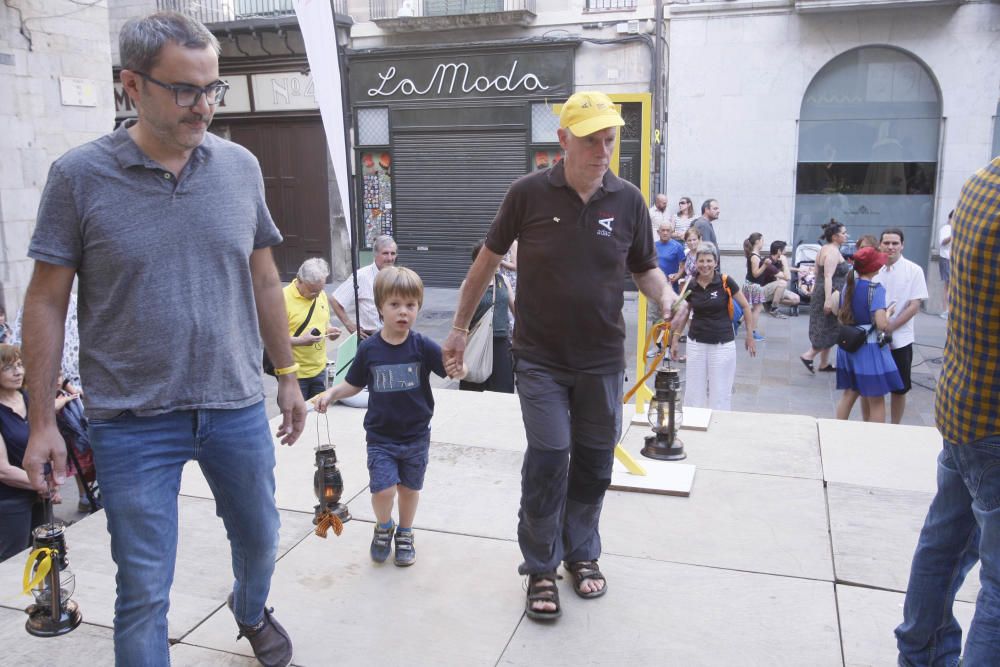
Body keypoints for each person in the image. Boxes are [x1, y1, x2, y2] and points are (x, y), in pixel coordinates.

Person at [20, 13, 306, 667]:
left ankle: (250, 606)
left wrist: (286, 373)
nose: (203, 105)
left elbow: (264, 278)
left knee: (261, 538)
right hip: (131, 419)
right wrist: (42, 420)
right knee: (144, 588)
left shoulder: (240, 167)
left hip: (234, 401)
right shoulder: (78, 177)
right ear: (131, 86)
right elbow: (45, 298)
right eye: (184, 89)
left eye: (213, 88)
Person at [440, 91, 676, 621]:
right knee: (550, 455)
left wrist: (667, 298)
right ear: (562, 140)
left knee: (593, 463)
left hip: (601, 359)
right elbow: (485, 263)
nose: (602, 149)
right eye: (590, 139)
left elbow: (645, 268)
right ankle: (540, 566)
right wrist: (458, 327)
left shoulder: (628, 201)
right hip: (540, 356)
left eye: (609, 139)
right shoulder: (527, 194)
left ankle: (582, 553)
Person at [895, 157, 1000, 666]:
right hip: (995, 422)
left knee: (944, 545)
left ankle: (919, 655)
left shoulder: (984, 182)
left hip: (965, 407)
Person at [315, 267, 462, 567]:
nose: (403, 312)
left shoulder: (422, 346)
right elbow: (353, 384)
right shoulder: (369, 349)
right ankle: (384, 526)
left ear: (418, 307)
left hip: (416, 435)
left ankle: (405, 532)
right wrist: (331, 394)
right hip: (381, 437)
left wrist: (462, 368)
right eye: (395, 305)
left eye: (411, 305)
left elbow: (452, 368)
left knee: (409, 489)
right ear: (380, 306)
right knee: (383, 489)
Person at [670, 242, 756, 409]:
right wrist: (675, 338)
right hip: (696, 343)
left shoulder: (725, 281)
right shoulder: (691, 284)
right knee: (694, 391)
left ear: (715, 262)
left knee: (721, 390)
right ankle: (694, 423)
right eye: (701, 261)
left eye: (709, 261)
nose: (705, 265)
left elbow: (746, 306)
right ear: (696, 263)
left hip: (722, 344)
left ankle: (719, 427)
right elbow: (685, 312)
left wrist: (750, 336)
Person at [832, 247, 902, 423]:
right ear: (873, 267)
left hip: (848, 345)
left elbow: (839, 311)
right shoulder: (876, 288)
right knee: (876, 398)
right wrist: (889, 313)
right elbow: (881, 324)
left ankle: (836, 431)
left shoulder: (849, 285)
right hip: (868, 348)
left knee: (849, 393)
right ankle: (875, 440)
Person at [0, 345, 51, 562]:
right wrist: (43, 484)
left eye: (20, 365)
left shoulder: (28, 398)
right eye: (8, 367)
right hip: (10, 500)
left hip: (41, 494)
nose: (18, 372)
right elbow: (3, 471)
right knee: (13, 561)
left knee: (44, 557)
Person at [874, 228, 928, 424]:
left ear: (902, 245)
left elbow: (914, 305)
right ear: (880, 244)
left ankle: (895, 426)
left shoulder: (914, 270)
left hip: (901, 339)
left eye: (895, 243)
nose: (890, 247)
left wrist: (891, 326)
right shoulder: (875, 269)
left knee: (899, 387)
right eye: (886, 243)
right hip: (874, 338)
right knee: (873, 386)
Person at [460, 242, 515, 393]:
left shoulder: (503, 281)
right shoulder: (469, 284)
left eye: (497, 257)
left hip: (501, 343)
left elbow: (516, 309)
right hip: (477, 342)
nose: (497, 261)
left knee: (503, 389)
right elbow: (460, 317)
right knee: (474, 387)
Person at [284, 258, 341, 402]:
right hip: (294, 374)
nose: (317, 294)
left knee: (317, 418)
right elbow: (273, 339)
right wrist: (300, 341)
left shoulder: (320, 294)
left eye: (320, 290)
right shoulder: (281, 298)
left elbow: (324, 323)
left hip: (319, 370)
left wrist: (330, 331)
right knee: (295, 420)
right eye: (312, 291)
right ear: (299, 280)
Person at [800, 219, 851, 374]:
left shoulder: (824, 249)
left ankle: (823, 363)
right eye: (843, 233)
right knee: (829, 328)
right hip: (830, 294)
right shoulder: (832, 252)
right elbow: (827, 276)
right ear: (835, 236)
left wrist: (815, 291)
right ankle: (808, 356)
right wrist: (828, 301)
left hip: (824, 292)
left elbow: (817, 273)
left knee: (828, 327)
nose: (846, 235)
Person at [330, 234, 397, 339]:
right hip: (371, 338)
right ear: (375, 255)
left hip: (395, 336)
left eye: (393, 253)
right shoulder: (361, 276)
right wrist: (350, 326)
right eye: (385, 253)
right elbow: (336, 300)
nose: (390, 258)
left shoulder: (399, 276)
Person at [760, 240, 800, 317]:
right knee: (782, 283)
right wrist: (785, 261)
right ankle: (774, 309)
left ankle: (770, 302)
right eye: (784, 249)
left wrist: (799, 270)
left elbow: (785, 269)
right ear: (779, 251)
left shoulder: (777, 261)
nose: (785, 252)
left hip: (772, 289)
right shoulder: (768, 263)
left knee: (796, 299)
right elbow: (787, 277)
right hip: (762, 291)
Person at [741, 232, 768, 342]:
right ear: (757, 242)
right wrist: (765, 265)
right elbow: (756, 273)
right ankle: (753, 331)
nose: (763, 242)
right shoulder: (755, 257)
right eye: (762, 240)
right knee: (757, 308)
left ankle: (738, 322)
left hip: (750, 284)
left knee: (749, 307)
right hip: (754, 285)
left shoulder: (753, 255)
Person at [656, 222, 686, 291]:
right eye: (663, 230)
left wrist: (677, 276)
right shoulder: (652, 246)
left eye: (667, 230)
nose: (665, 233)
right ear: (658, 232)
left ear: (672, 232)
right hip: (655, 286)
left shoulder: (678, 247)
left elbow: (683, 266)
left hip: (671, 287)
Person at [937, 211, 952, 319]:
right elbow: (942, 242)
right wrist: (953, 235)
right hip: (946, 258)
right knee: (948, 285)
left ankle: (948, 310)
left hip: (954, 259)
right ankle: (945, 310)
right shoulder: (946, 228)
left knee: (951, 285)